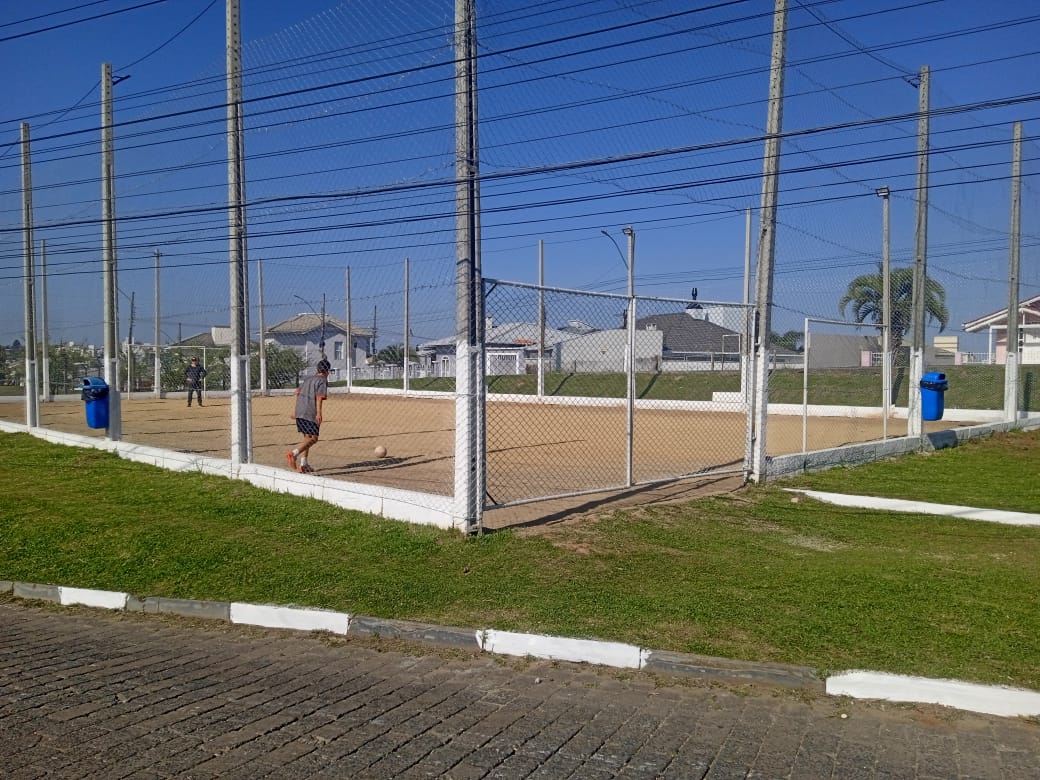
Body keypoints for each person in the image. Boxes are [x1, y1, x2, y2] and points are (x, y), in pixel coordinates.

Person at [286, 358, 330, 473]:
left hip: (300, 411)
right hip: (310, 412)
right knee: (314, 439)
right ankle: (294, 454)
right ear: (327, 371)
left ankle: (303, 464)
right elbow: (319, 397)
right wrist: (319, 413)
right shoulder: (322, 380)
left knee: (307, 438)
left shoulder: (308, 378)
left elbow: (297, 393)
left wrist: (295, 411)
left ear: (317, 369)